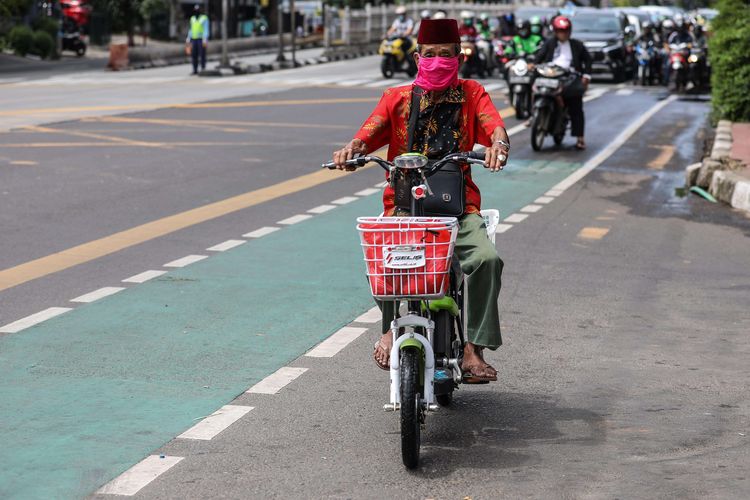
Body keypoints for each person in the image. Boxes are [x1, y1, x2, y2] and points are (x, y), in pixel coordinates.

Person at [331, 18, 511, 383]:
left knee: (487, 259)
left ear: (458, 58)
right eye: (430, 54)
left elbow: (494, 126)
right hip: (403, 207)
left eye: (446, 55)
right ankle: (387, 327)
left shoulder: (473, 93)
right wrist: (353, 150)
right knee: (382, 257)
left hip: (458, 210)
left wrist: (498, 145)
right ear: (417, 58)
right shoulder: (395, 99)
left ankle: (473, 350)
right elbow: (367, 135)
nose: (438, 61)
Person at [534, 15, 592, 150]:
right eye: (560, 31)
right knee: (535, 86)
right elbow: (539, 58)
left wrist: (586, 76)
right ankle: (534, 115)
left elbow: (588, 60)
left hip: (569, 77)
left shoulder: (577, 45)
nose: (563, 33)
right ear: (555, 31)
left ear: (570, 31)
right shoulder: (549, 43)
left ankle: (580, 137)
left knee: (576, 103)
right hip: (550, 74)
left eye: (565, 31)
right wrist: (533, 65)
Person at [185, 4, 209, 75]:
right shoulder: (192, 18)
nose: (196, 12)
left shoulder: (204, 18)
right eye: (195, 10)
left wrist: (205, 38)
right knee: (193, 55)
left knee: (202, 54)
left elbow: (206, 29)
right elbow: (191, 29)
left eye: (197, 10)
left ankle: (203, 69)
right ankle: (195, 70)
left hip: (201, 39)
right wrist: (188, 38)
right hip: (194, 39)